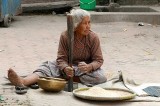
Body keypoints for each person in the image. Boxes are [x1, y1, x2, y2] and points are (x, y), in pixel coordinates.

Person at [8, 9, 107, 88]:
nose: (88, 26)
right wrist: (65, 68)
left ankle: (60, 78)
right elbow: (61, 58)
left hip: (84, 69)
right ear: (76, 25)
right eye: (85, 23)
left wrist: (89, 67)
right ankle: (23, 81)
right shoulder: (65, 36)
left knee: (101, 77)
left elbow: (99, 60)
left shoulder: (93, 37)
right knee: (46, 68)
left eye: (89, 23)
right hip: (66, 66)